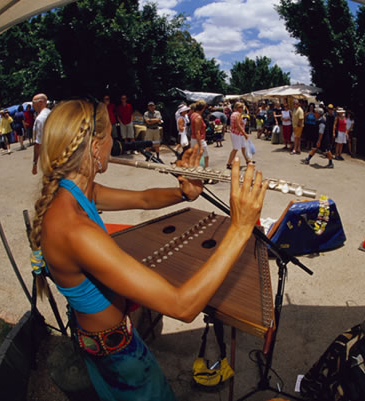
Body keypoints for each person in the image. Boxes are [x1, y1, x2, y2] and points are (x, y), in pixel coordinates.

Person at [29, 99, 267, 400]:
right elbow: (182, 306)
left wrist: (184, 193)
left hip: (104, 342)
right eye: (110, 135)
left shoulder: (75, 192)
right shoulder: (74, 230)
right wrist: (240, 229)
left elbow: (143, 199)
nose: (114, 142)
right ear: (95, 147)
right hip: (117, 357)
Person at [226, 102, 252, 169]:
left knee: (243, 147)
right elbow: (238, 126)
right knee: (235, 149)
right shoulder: (238, 114)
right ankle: (229, 163)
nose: (242, 109)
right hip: (237, 133)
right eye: (241, 108)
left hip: (237, 133)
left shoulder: (233, 114)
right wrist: (245, 134)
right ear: (238, 108)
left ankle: (248, 160)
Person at [190, 100, 211, 174]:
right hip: (199, 139)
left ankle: (195, 171)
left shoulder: (193, 114)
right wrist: (200, 145)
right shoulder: (198, 117)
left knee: (195, 156)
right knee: (205, 156)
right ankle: (206, 171)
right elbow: (197, 132)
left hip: (193, 138)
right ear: (203, 108)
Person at [32, 93, 51, 175]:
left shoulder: (40, 119)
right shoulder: (51, 113)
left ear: (40, 102)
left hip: (49, 156)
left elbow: (38, 144)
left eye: (33, 102)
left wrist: (35, 163)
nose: (32, 105)